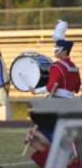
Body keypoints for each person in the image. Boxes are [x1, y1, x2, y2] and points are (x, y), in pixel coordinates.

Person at [29, 20, 81, 166]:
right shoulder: (74, 67)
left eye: (57, 46)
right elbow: (77, 87)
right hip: (72, 102)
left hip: (58, 103)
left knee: (50, 130)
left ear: (64, 50)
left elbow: (52, 85)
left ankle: (54, 153)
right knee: (71, 131)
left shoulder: (57, 66)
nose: (55, 48)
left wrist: (36, 91)